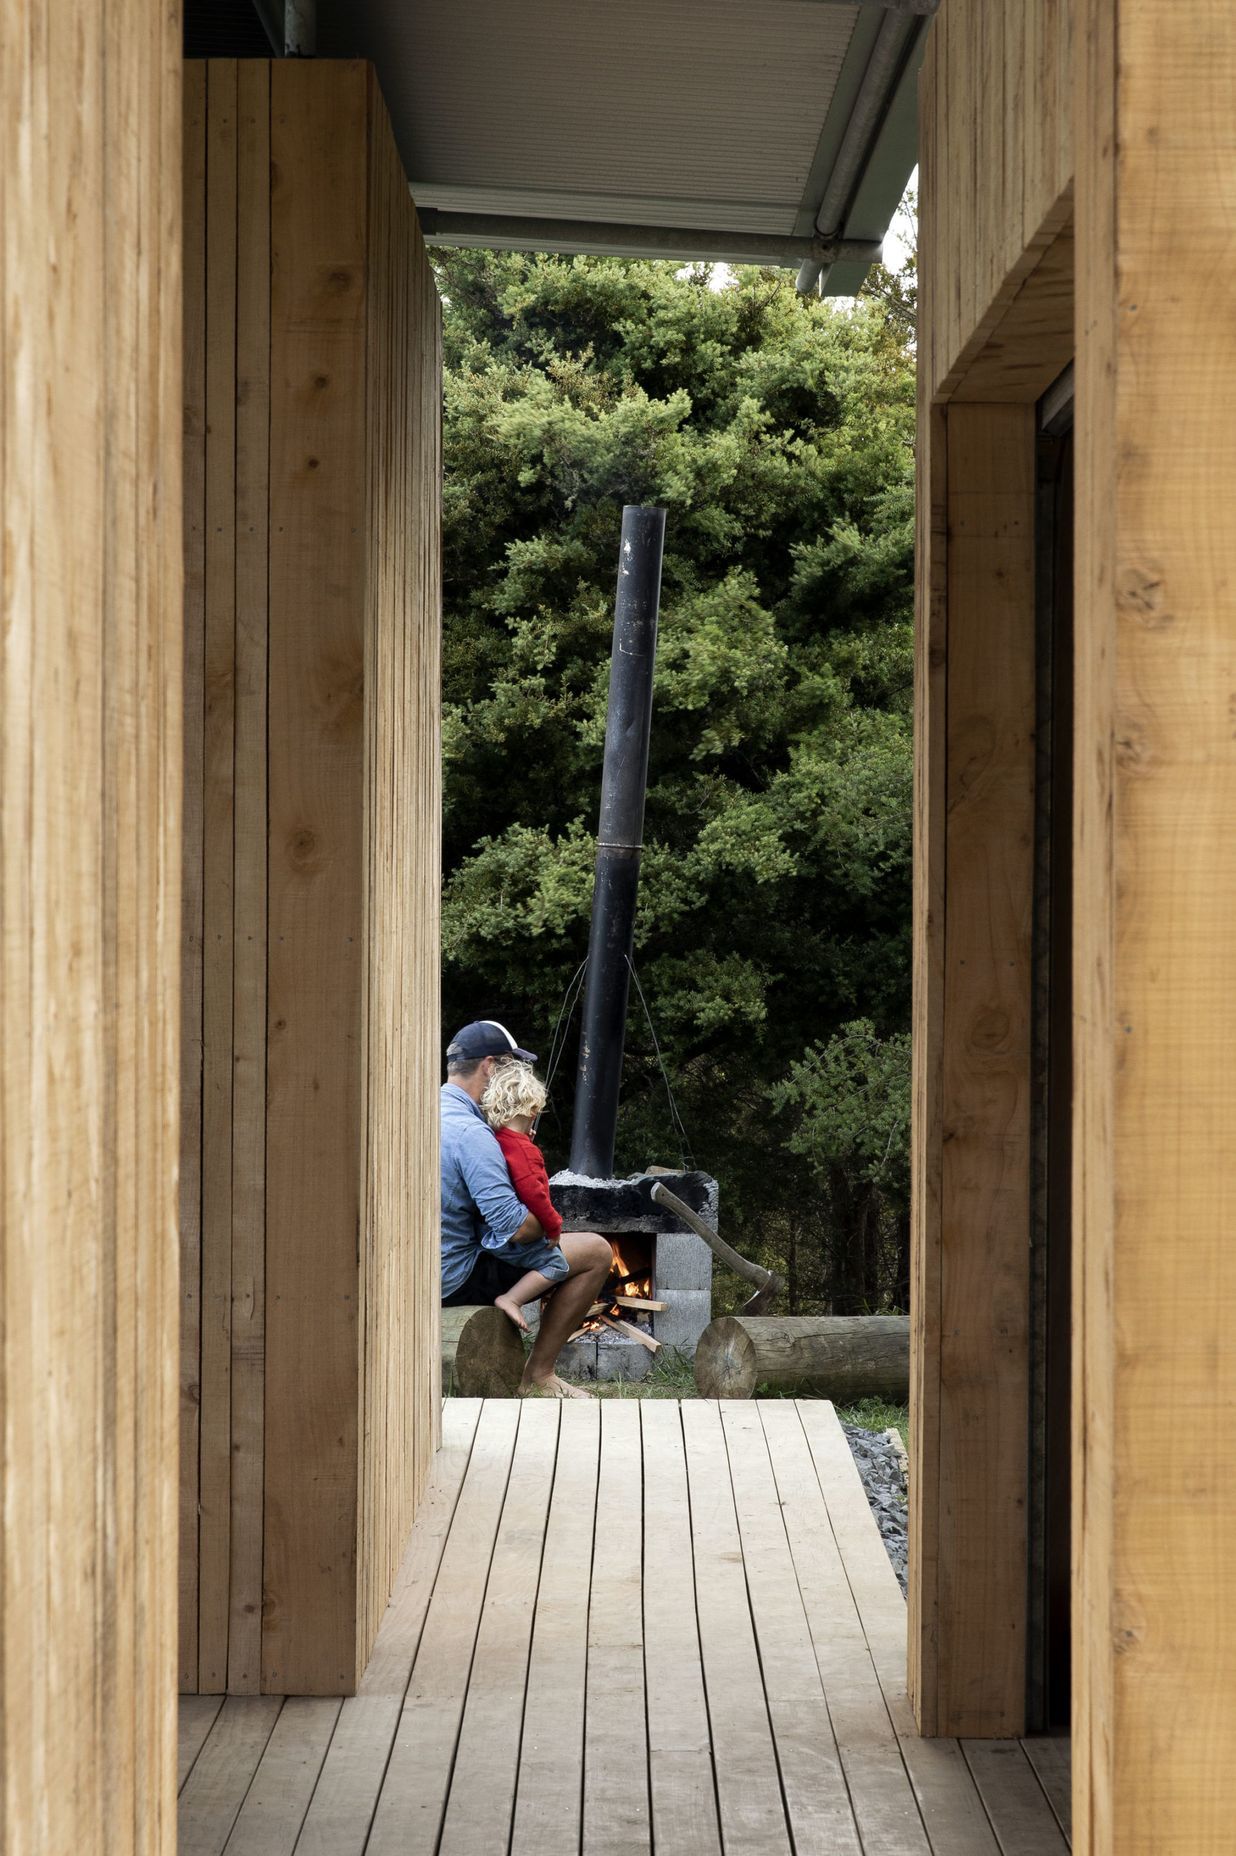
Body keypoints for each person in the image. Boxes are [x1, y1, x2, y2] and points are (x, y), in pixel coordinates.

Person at [439, 1020, 612, 1397]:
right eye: (510, 1067)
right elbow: (515, 1228)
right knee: (596, 1250)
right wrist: (549, 1225)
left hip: (413, 1274)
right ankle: (539, 1374)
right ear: (489, 1067)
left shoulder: (422, 1115)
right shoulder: (472, 1135)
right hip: (451, 1279)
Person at [479, 1059, 569, 1332]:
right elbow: (535, 1194)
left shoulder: (495, 1139)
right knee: (558, 1265)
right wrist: (554, 1225)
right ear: (533, 1109)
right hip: (514, 1242)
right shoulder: (526, 1150)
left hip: (490, 1235)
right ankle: (511, 1298)